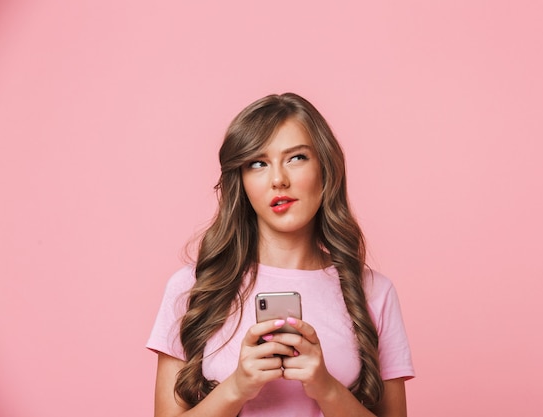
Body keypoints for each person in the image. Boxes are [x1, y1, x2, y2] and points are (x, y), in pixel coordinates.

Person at [147, 92, 415, 417]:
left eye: (296, 157)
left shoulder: (374, 292)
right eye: (258, 163)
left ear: (325, 169)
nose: (278, 180)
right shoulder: (192, 288)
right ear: (241, 181)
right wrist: (237, 387)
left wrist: (326, 388)